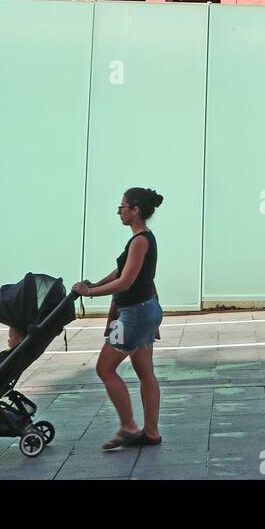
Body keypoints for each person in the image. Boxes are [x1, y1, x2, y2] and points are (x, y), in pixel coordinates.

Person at [73, 187, 165, 450]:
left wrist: (89, 292)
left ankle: (128, 427)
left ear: (135, 210)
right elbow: (120, 272)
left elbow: (125, 282)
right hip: (146, 310)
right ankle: (151, 432)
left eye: (122, 207)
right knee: (146, 373)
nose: (119, 211)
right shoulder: (142, 239)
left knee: (105, 368)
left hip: (135, 314)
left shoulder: (140, 241)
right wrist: (93, 284)